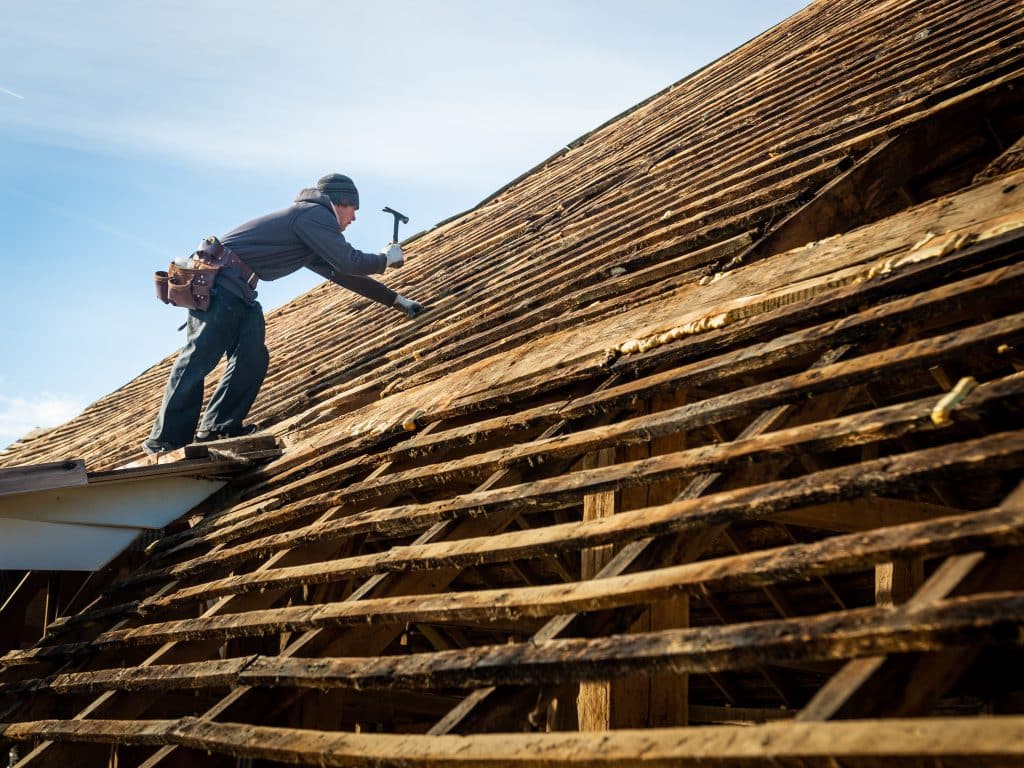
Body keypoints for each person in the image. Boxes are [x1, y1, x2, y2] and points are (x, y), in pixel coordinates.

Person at [142, 173, 423, 455]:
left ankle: (218, 428)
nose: (354, 218)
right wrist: (385, 259)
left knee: (253, 354)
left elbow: (342, 273)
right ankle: (165, 441)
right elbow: (348, 260)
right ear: (342, 201)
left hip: (239, 291)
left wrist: (396, 300)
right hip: (221, 286)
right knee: (200, 356)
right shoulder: (313, 214)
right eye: (354, 210)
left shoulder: (310, 227)